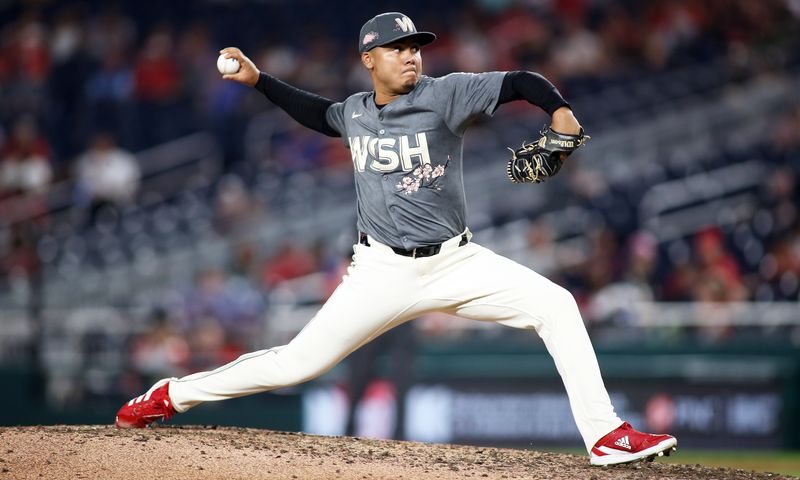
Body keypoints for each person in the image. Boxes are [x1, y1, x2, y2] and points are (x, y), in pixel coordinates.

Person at [115, 12, 677, 466]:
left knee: (556, 304)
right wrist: (260, 81)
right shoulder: (355, 112)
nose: (411, 55)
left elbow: (520, 81)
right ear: (369, 60)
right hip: (379, 272)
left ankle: (606, 436)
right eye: (398, 47)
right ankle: (171, 394)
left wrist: (561, 112)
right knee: (295, 364)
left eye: (416, 46)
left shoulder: (445, 94)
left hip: (457, 262)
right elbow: (317, 114)